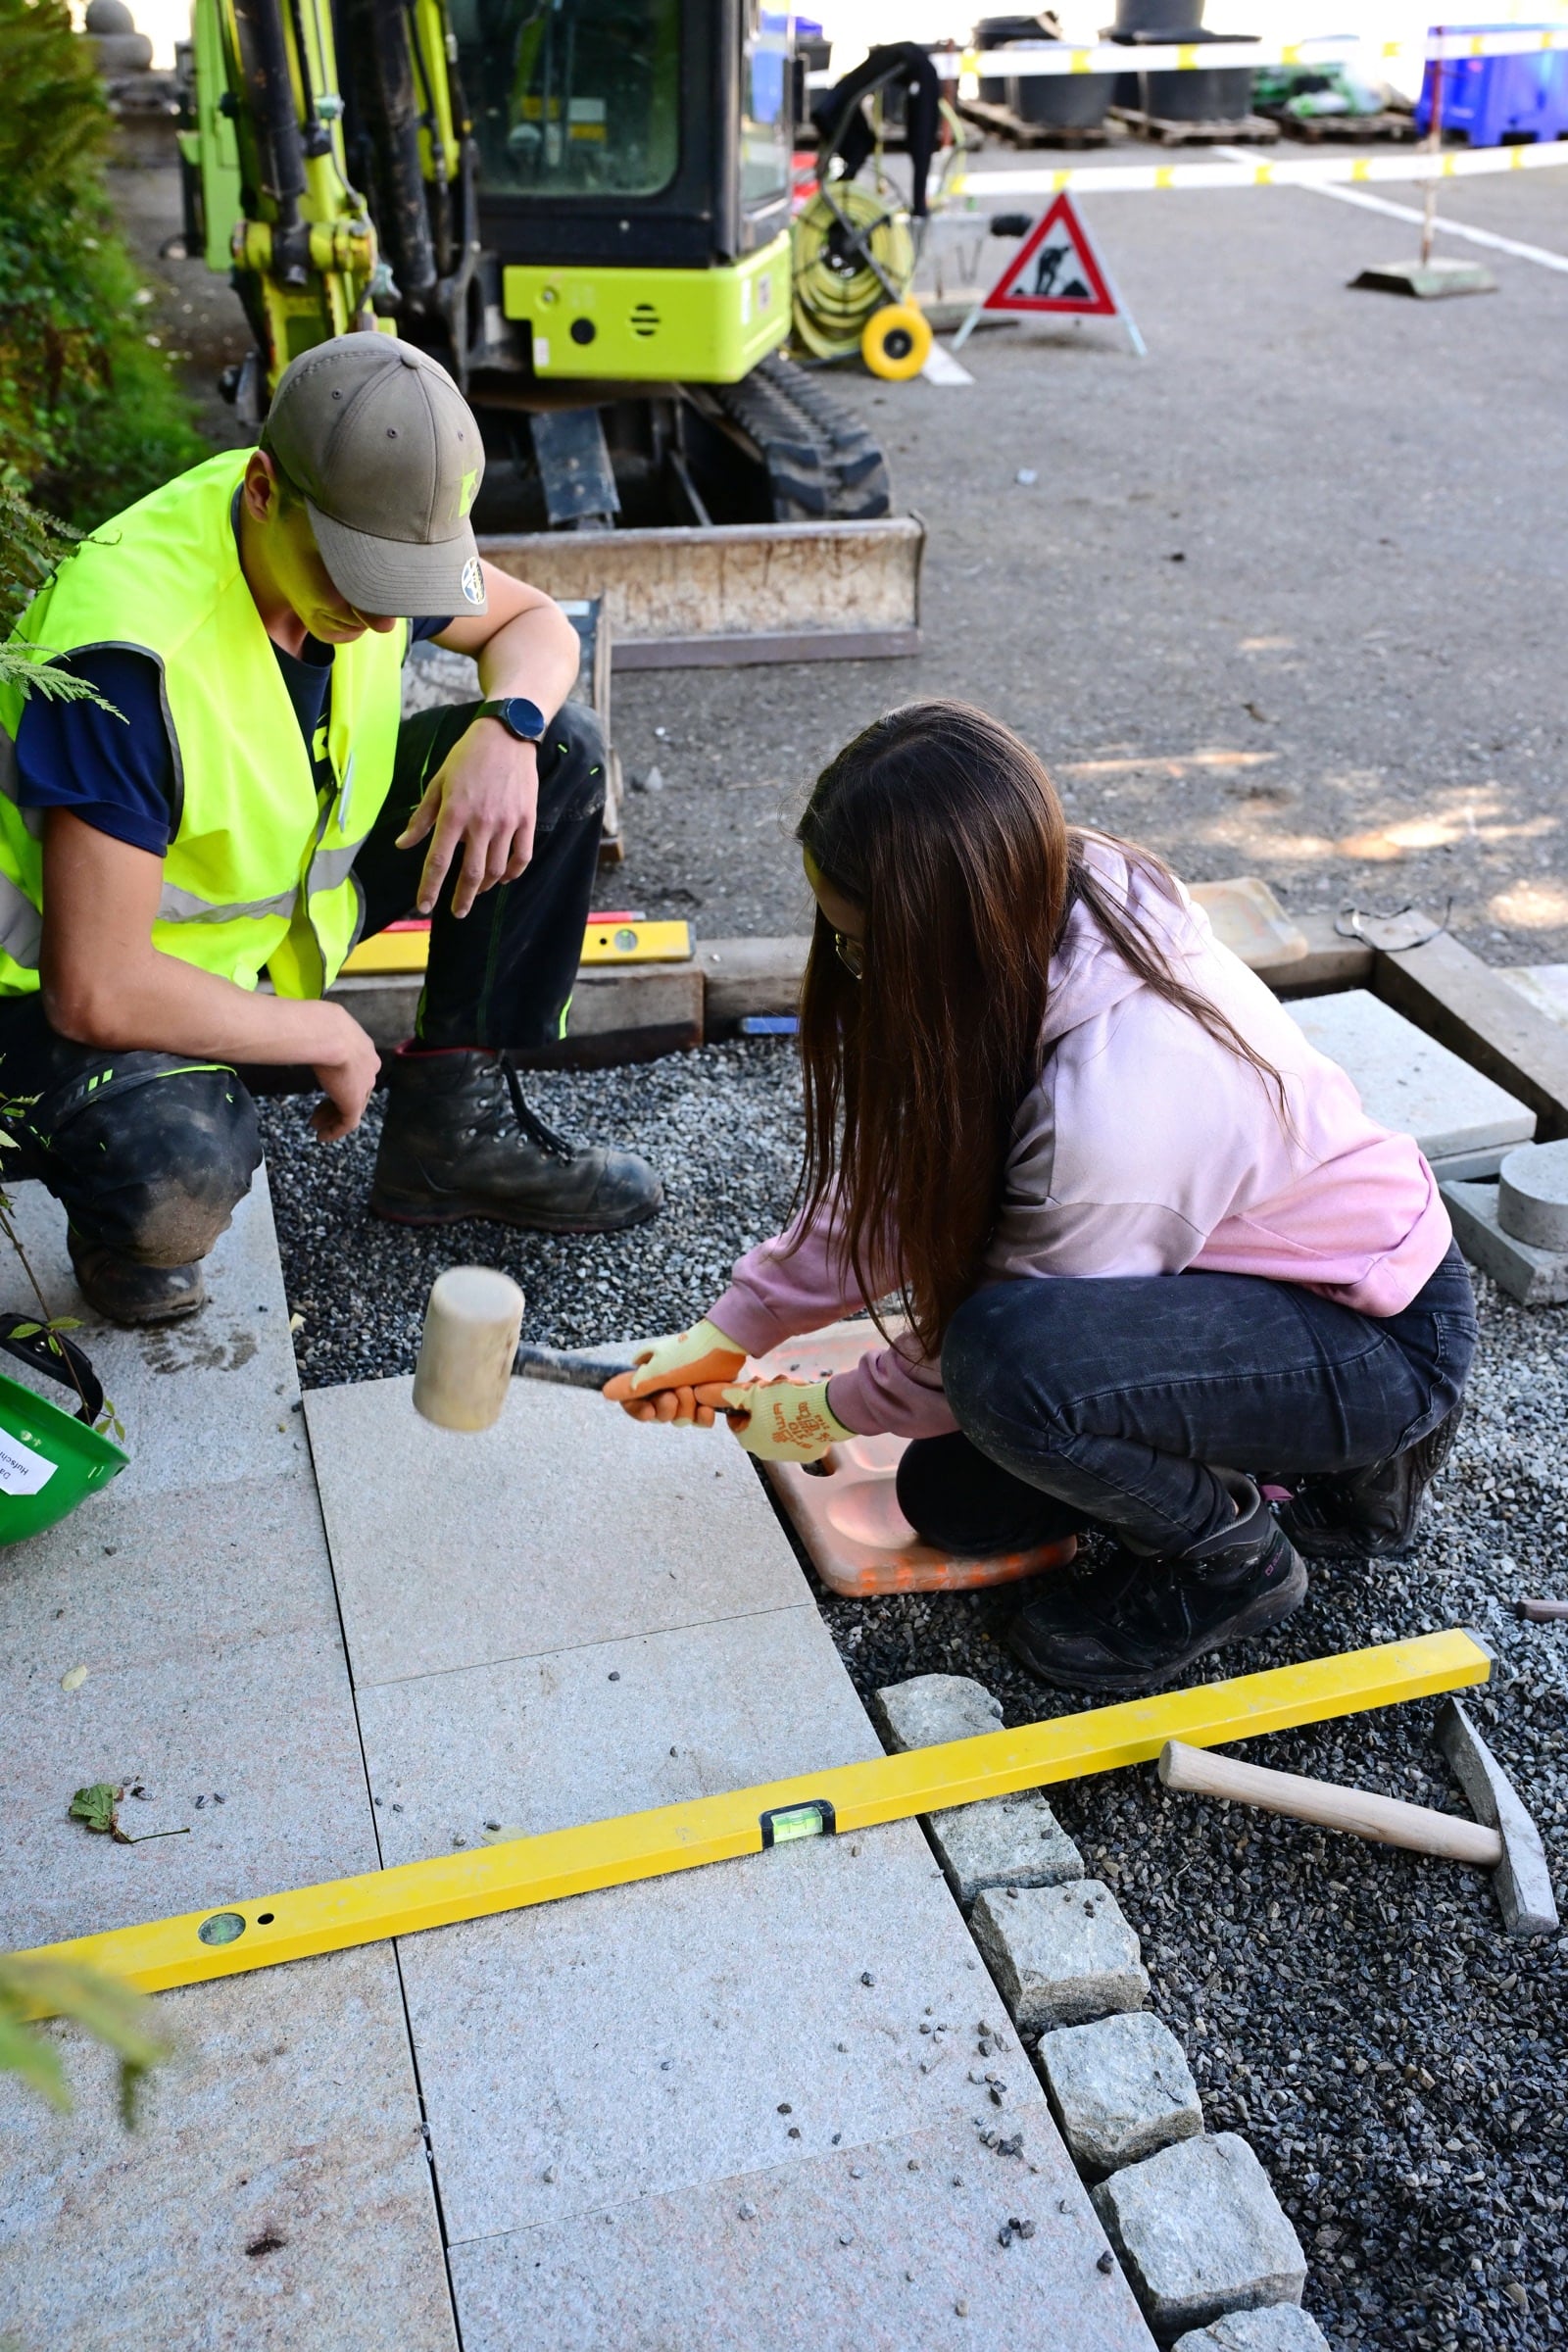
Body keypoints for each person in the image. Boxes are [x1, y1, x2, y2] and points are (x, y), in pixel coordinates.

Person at [604, 701, 1476, 1695]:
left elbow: (1015, 1344)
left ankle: (1232, 1558)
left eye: (857, 945)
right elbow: (901, 1177)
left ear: (939, 938)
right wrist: (731, 1329)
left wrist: (825, 1411)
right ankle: (1341, 1477)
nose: (844, 966)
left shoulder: (1111, 1110)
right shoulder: (1053, 897)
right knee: (960, 1501)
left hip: (1372, 1339)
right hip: (1293, 1276)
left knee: (998, 1371)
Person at [0, 334, 661, 1326]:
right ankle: (114, 1218)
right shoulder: (128, 658)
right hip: (58, 998)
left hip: (269, 930)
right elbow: (95, 984)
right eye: (349, 574)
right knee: (175, 1176)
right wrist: (316, 1029)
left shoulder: (368, 523)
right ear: (263, 489)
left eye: (397, 585)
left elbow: (537, 629)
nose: (374, 614)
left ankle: (451, 1134)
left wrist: (509, 727)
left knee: (559, 755)